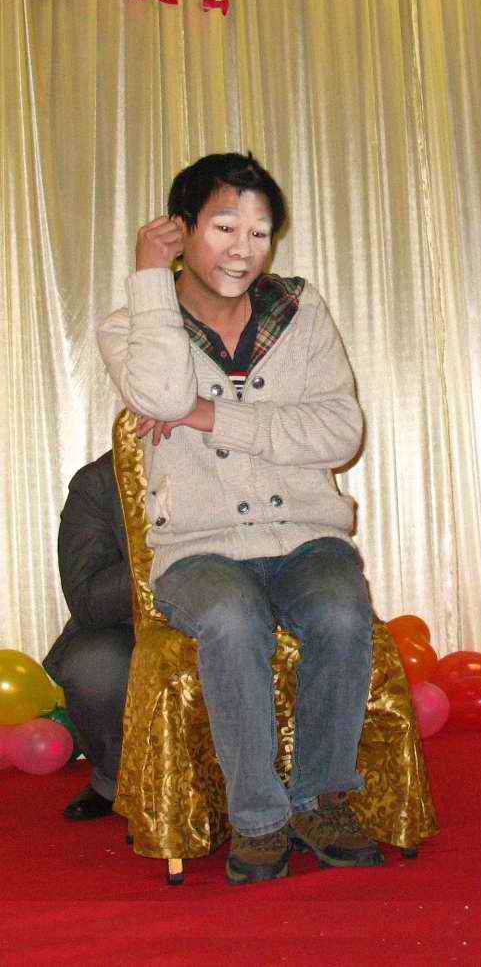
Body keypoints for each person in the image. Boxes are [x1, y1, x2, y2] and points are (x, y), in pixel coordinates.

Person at [95, 152, 382, 885]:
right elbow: (162, 395)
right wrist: (149, 279)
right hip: (197, 547)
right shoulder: (132, 324)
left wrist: (209, 414)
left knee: (341, 610)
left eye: (259, 232)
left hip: (305, 534)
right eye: (224, 227)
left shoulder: (300, 312)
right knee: (230, 619)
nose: (243, 249)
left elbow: (340, 432)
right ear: (182, 229)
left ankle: (321, 800)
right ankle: (259, 820)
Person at [43, 452, 134, 822]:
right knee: (94, 665)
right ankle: (116, 780)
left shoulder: (232, 459)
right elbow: (87, 599)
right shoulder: (99, 481)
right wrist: (159, 559)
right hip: (126, 624)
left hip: (225, 613)